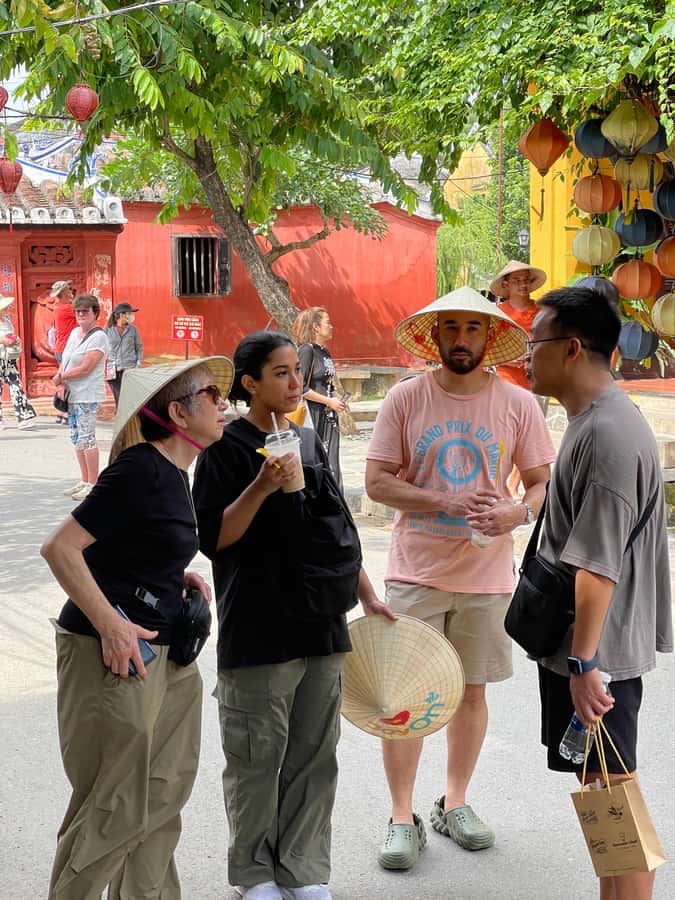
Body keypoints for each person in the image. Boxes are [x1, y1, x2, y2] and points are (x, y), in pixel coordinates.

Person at [192, 330, 395, 900]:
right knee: (256, 758)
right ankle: (254, 874)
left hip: (321, 622)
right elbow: (216, 539)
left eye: (295, 371)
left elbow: (337, 527)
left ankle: (302, 870)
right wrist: (260, 485)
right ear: (249, 383)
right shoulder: (225, 450)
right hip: (258, 626)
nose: (293, 381)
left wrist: (368, 593)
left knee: (314, 755)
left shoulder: (307, 438)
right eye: (279, 373)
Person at [365, 286, 556, 870]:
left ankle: (455, 801)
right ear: (436, 335)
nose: (462, 339)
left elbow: (541, 483)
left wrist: (516, 512)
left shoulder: (518, 405)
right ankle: (402, 817)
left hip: (487, 574)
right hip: (415, 572)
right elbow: (376, 482)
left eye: (474, 329)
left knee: (471, 691)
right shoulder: (406, 399)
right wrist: (444, 502)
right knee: (405, 699)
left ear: (491, 337)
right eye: (452, 328)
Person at [40, 355, 233, 900]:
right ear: (177, 411)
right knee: (114, 807)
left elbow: (129, 549)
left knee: (162, 801)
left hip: (169, 658)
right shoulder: (140, 468)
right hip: (116, 659)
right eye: (211, 395)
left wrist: (175, 576)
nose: (223, 404)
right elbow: (61, 549)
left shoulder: (175, 471)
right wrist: (112, 627)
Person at [526, 286, 672, 900]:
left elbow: (596, 567)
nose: (526, 356)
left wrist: (585, 665)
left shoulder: (608, 435)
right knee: (602, 798)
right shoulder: (595, 421)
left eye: (535, 344)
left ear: (572, 349)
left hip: (598, 659)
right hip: (593, 653)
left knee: (615, 801)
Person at [53, 293, 109, 500]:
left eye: (85, 311)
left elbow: (86, 367)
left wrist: (61, 377)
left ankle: (93, 483)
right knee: (76, 438)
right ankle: (84, 480)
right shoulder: (75, 332)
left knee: (87, 437)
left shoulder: (99, 337)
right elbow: (65, 359)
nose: (81, 315)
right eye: (77, 311)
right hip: (72, 393)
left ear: (95, 313)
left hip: (87, 394)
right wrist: (61, 381)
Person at [292, 307, 347, 488]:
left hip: (329, 415)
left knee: (332, 458)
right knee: (316, 458)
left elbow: (326, 384)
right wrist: (328, 401)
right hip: (312, 414)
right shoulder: (307, 351)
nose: (331, 326)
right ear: (315, 327)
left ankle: (335, 498)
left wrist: (337, 399)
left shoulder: (325, 352)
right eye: (327, 322)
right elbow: (300, 387)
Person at [489, 260, 546, 390]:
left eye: (526, 280)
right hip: (506, 379)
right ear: (506, 284)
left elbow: (549, 344)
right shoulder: (498, 313)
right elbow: (488, 347)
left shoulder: (542, 311)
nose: (523, 285)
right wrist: (506, 358)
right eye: (517, 281)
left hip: (536, 378)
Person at [0, 294, 37, 430]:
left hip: (9, 359)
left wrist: (14, 340)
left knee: (16, 386)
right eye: (4, 308)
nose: (6, 310)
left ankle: (23, 417)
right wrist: (3, 340)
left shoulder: (7, 322)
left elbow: (13, 335)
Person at [104, 301, 144, 407]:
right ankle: (121, 421)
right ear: (121, 315)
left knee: (130, 399)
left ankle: (129, 421)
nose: (131, 316)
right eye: (129, 313)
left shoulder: (133, 330)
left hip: (130, 369)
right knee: (119, 400)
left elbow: (139, 348)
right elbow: (102, 350)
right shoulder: (107, 330)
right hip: (113, 371)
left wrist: (138, 365)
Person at [51, 280, 76, 424]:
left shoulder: (59, 307)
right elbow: (86, 309)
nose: (70, 291)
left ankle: (61, 412)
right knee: (69, 380)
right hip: (66, 349)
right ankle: (66, 413)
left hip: (62, 348)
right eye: (68, 289)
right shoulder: (65, 308)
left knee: (65, 381)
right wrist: (92, 297)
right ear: (63, 293)